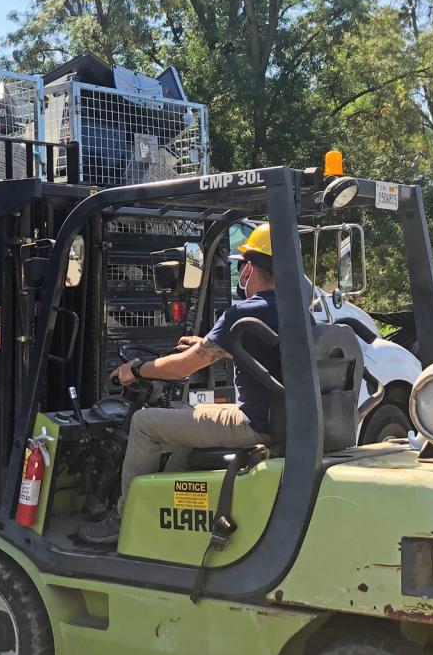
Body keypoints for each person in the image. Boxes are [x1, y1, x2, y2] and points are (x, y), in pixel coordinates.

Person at [78, 223, 288, 545]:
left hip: (254, 423)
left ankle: (125, 518)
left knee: (145, 423)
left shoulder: (243, 314)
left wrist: (137, 368)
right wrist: (206, 343)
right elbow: (267, 354)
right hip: (280, 418)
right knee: (185, 413)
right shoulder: (294, 312)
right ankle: (170, 513)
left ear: (248, 268)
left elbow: (180, 369)